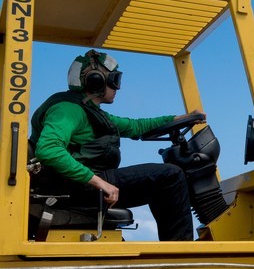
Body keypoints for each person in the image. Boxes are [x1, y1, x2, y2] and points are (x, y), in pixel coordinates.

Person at [30, 49, 204, 241]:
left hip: (81, 184)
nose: (118, 88)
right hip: (78, 187)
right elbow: (48, 149)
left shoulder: (89, 110)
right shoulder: (68, 110)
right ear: (96, 81)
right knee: (170, 176)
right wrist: (99, 182)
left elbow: (135, 126)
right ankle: (180, 252)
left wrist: (179, 119)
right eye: (115, 80)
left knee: (162, 181)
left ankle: (172, 248)